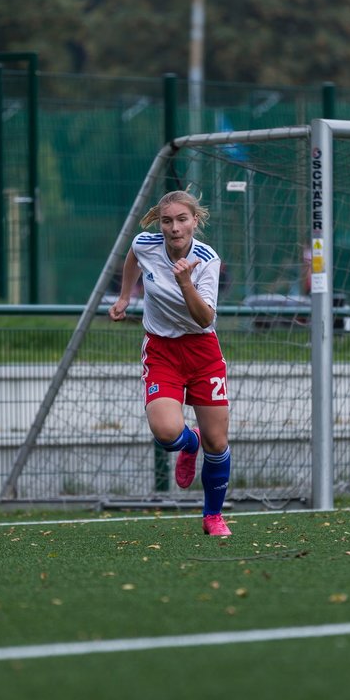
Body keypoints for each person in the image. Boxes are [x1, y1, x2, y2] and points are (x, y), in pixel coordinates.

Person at [108, 190, 233, 537]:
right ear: (159, 222)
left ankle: (212, 516)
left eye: (182, 219)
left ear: (195, 221)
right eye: (167, 220)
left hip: (202, 352)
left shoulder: (208, 259)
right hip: (162, 350)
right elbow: (133, 256)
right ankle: (188, 443)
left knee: (218, 443)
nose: (174, 228)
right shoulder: (146, 244)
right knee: (166, 434)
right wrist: (124, 297)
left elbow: (205, 319)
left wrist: (185, 283)